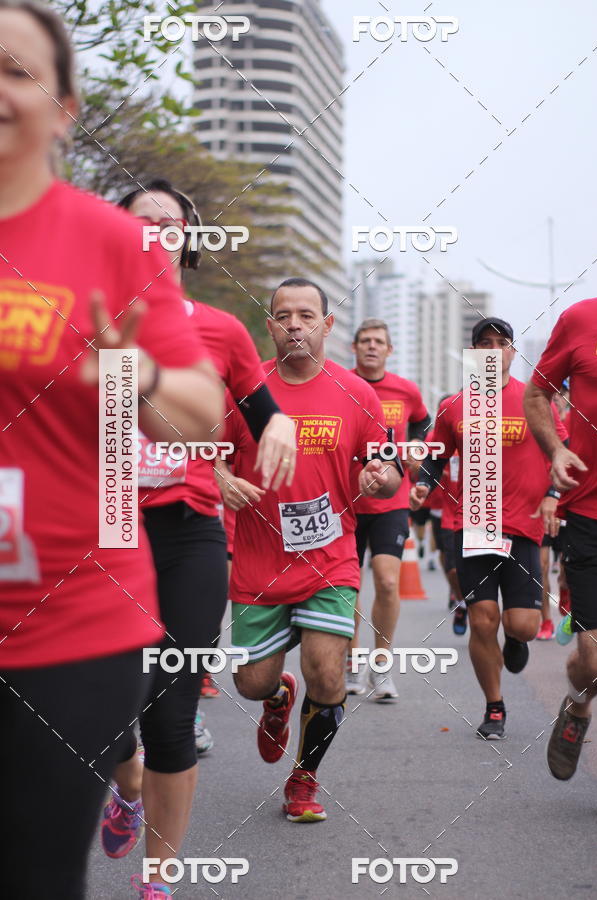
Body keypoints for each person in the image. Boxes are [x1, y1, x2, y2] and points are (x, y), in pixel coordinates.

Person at [0, 4, 224, 897]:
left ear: (64, 109)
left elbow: (202, 410)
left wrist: (134, 378)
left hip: (66, 617)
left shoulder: (112, 244)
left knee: (32, 871)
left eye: (16, 71)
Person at [100, 180, 296, 897]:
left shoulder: (220, 330)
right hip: (106, 531)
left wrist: (277, 424)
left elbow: (263, 408)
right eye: (140, 222)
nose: (155, 232)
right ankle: (124, 784)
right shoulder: (81, 318)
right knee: (104, 703)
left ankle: (159, 880)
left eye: (170, 222)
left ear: (190, 239)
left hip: (188, 533)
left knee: (173, 706)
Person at [221, 278, 401, 821]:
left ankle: (304, 779)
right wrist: (218, 477)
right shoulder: (243, 393)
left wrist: (380, 477)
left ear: (326, 325)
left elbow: (390, 470)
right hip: (258, 560)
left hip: (330, 556)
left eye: (306, 315)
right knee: (251, 682)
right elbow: (203, 454)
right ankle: (278, 697)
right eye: (283, 315)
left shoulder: (357, 393)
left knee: (328, 674)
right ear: (270, 327)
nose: (294, 324)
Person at [410, 318, 566, 740]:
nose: (494, 351)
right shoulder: (455, 406)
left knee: (522, 626)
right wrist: (424, 483)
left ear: (513, 353)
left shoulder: (537, 402)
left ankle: (516, 643)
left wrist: (553, 492)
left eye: (502, 344)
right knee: (483, 620)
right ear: (473, 354)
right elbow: (435, 456)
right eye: (484, 344)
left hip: (523, 526)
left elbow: (560, 452)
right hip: (473, 524)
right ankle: (494, 707)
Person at [524, 297, 597, 780]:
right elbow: (536, 395)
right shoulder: (580, 319)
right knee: (593, 659)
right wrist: (555, 449)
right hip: (590, 511)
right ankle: (576, 704)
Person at [347, 318, 430, 699]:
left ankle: (381, 666)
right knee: (346, 589)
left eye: (379, 341)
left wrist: (416, 450)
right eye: (364, 340)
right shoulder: (340, 384)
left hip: (391, 501)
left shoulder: (406, 390)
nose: (371, 346)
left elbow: (424, 426)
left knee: (387, 580)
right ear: (354, 347)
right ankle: (350, 662)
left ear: (389, 349)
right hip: (345, 500)